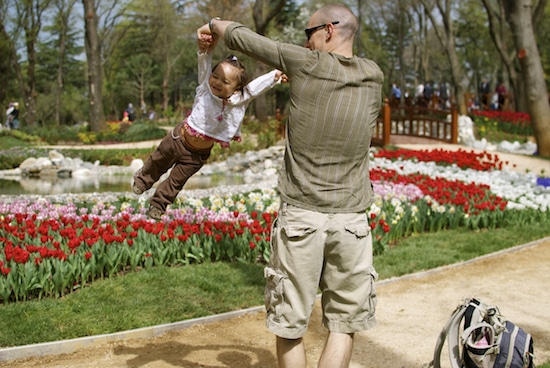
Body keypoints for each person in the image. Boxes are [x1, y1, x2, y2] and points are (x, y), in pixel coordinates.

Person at [200, 4, 383, 367]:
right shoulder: (373, 75)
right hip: (352, 224)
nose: (307, 41)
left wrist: (210, 25)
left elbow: (244, 39)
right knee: (344, 325)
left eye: (309, 33)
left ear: (329, 30)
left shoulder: (305, 63)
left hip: (302, 218)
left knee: (289, 327)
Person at [133, 32, 286, 220]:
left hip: (195, 157)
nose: (217, 82)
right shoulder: (206, 87)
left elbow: (254, 88)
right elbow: (204, 65)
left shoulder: (238, 100)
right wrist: (204, 50)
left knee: (176, 182)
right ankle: (143, 180)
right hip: (178, 139)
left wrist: (274, 76)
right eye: (215, 76)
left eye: (225, 81)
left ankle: (158, 204)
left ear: (236, 89)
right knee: (158, 161)